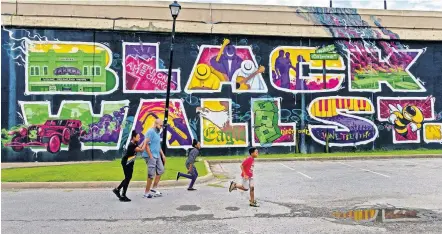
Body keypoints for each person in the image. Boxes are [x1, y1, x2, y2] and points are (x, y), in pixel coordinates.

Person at [113, 130, 145, 202]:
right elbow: (141, 149)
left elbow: (140, 146)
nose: (139, 139)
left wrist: (144, 141)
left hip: (129, 162)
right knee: (128, 178)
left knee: (128, 178)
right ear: (133, 137)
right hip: (126, 162)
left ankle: (119, 191)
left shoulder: (134, 143)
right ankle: (121, 193)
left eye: (139, 137)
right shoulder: (131, 145)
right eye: (138, 137)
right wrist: (146, 142)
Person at [142, 118, 166, 198]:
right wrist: (151, 156)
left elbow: (158, 145)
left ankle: (154, 188)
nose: (161, 127)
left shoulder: (157, 133)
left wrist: (162, 155)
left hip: (157, 155)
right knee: (151, 175)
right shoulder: (150, 132)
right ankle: (146, 193)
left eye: (162, 125)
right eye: (160, 125)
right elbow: (146, 145)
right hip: (150, 155)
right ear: (156, 124)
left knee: (161, 170)